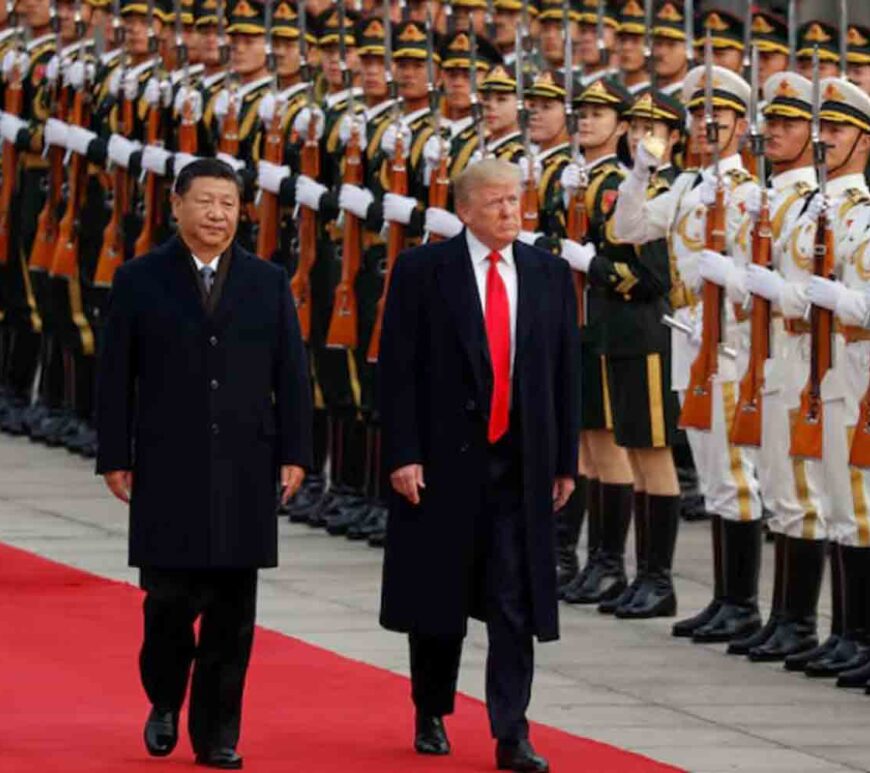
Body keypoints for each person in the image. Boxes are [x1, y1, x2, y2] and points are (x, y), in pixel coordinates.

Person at [95, 158, 312, 770]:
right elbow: (116, 377)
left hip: (246, 463)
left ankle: (216, 732)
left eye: (229, 204)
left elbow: (291, 374)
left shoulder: (267, 281)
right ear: (177, 205)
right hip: (169, 463)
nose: (218, 215)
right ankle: (164, 697)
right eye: (206, 202)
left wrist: (295, 451)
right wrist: (115, 454)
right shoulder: (140, 278)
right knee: (167, 604)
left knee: (232, 615)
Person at [378, 158, 580, 773]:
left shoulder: (547, 273)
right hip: (443, 462)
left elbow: (564, 372)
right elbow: (397, 370)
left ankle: (511, 731)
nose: (508, 212)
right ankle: (431, 705)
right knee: (439, 597)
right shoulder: (423, 271)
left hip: (518, 462)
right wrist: (404, 453)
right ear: (463, 210)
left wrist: (564, 460)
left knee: (514, 601)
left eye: (515, 200)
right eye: (494, 202)